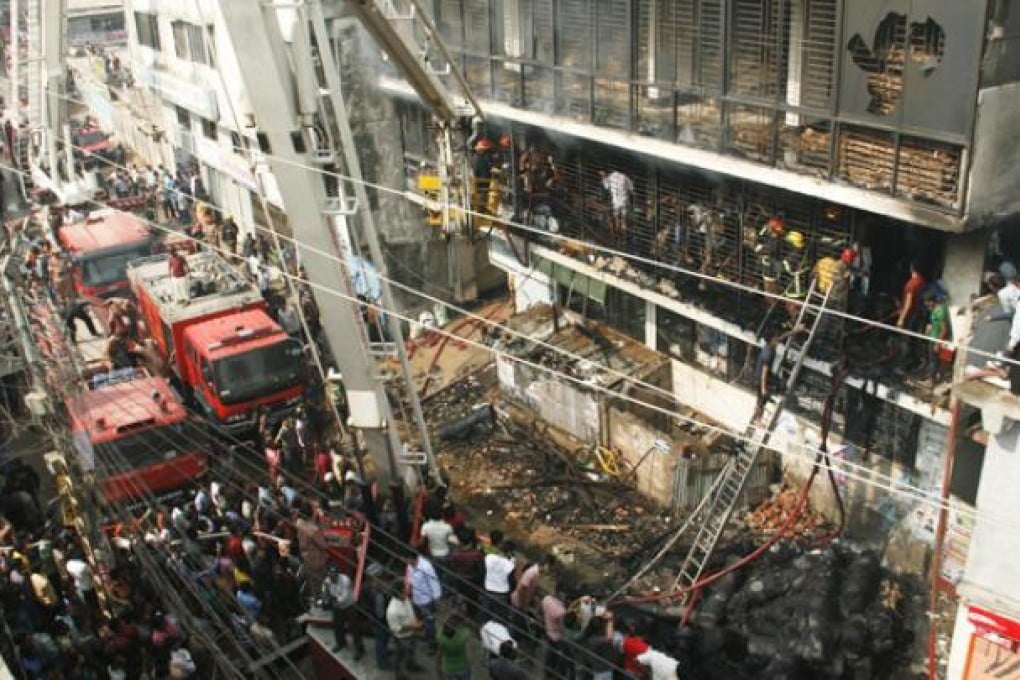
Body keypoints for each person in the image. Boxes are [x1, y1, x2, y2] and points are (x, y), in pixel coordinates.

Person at [404, 548, 441, 651]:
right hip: (416, 598)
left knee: (430, 622)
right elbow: (409, 579)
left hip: (426, 600)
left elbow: (434, 582)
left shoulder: (426, 566)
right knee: (421, 620)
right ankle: (427, 636)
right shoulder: (410, 565)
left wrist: (436, 598)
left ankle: (432, 644)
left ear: (411, 558)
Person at [322, 565, 362, 657]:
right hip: (337, 608)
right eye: (330, 575)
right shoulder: (327, 581)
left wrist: (330, 597)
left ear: (338, 574)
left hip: (349, 606)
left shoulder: (345, 580)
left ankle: (359, 649)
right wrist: (326, 595)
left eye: (334, 575)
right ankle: (341, 643)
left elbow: (343, 598)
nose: (332, 577)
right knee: (337, 626)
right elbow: (324, 594)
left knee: (354, 628)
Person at [387, 587, 423, 676]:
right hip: (402, 638)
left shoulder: (405, 598)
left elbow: (411, 610)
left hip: (412, 632)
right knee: (401, 656)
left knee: (412, 650)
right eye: (405, 590)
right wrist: (413, 626)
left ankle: (411, 664)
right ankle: (399, 675)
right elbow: (396, 629)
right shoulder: (393, 610)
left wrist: (417, 623)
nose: (408, 591)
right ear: (399, 593)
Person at [542, 586, 572, 679]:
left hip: (549, 631)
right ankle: (559, 675)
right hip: (558, 637)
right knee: (561, 657)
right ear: (560, 593)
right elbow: (562, 628)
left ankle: (548, 671)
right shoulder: (560, 611)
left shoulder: (546, 599)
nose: (565, 596)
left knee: (550, 653)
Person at [483, 540, 516, 623]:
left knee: (486, 612)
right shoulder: (510, 565)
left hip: (488, 588)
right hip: (502, 593)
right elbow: (512, 581)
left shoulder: (489, 557)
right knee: (500, 617)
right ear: (509, 552)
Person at [600, 169, 633, 244]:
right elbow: (631, 188)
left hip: (616, 203)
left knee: (617, 219)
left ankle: (617, 238)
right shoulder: (625, 177)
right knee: (623, 220)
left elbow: (605, 186)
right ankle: (623, 238)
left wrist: (603, 176)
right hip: (624, 202)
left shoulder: (611, 176)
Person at [435, 616, 472, 680]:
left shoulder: (440, 638)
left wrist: (439, 673)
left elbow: (438, 655)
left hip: (448, 669)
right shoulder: (462, 637)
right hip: (463, 667)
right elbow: (468, 629)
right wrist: (466, 623)